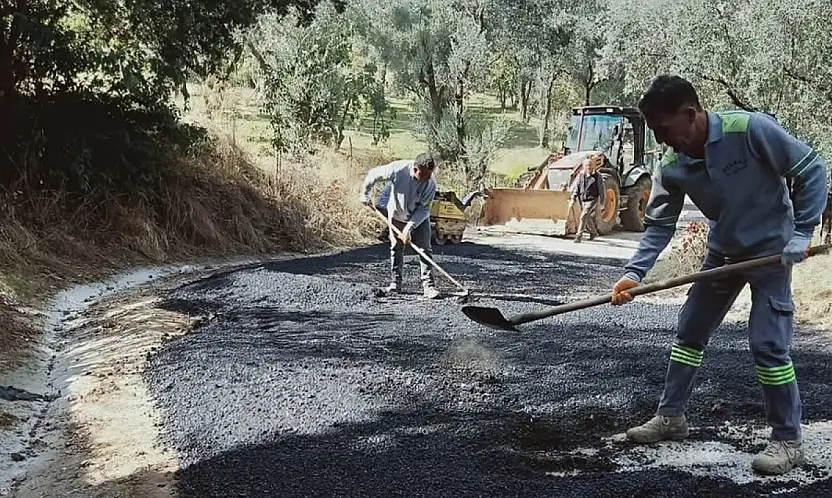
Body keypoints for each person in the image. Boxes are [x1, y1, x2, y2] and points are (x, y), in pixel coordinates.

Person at [611, 75, 829, 475]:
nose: (662, 141)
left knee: (768, 344)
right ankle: (671, 417)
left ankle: (787, 440)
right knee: (689, 329)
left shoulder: (749, 129)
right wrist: (634, 274)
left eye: (664, 130)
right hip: (723, 254)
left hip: (771, 256)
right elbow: (659, 226)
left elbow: (811, 168)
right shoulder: (673, 164)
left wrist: (802, 230)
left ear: (690, 115)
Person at [360, 153, 440, 299]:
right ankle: (395, 283)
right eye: (424, 176)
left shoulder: (430, 183)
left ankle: (429, 287)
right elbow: (373, 174)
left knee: (424, 249)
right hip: (396, 215)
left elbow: (424, 209)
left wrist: (409, 227)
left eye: (429, 176)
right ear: (416, 169)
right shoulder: (398, 169)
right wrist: (365, 194)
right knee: (396, 247)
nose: (426, 180)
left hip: (418, 218)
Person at [569, 155, 604, 243]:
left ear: (593, 166)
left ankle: (578, 236)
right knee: (587, 217)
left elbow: (601, 189)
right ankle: (593, 233)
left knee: (583, 216)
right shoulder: (581, 176)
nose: (589, 167)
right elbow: (577, 187)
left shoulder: (597, 176)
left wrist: (603, 201)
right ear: (584, 167)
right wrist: (573, 199)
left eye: (590, 165)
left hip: (592, 199)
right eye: (587, 165)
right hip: (583, 199)